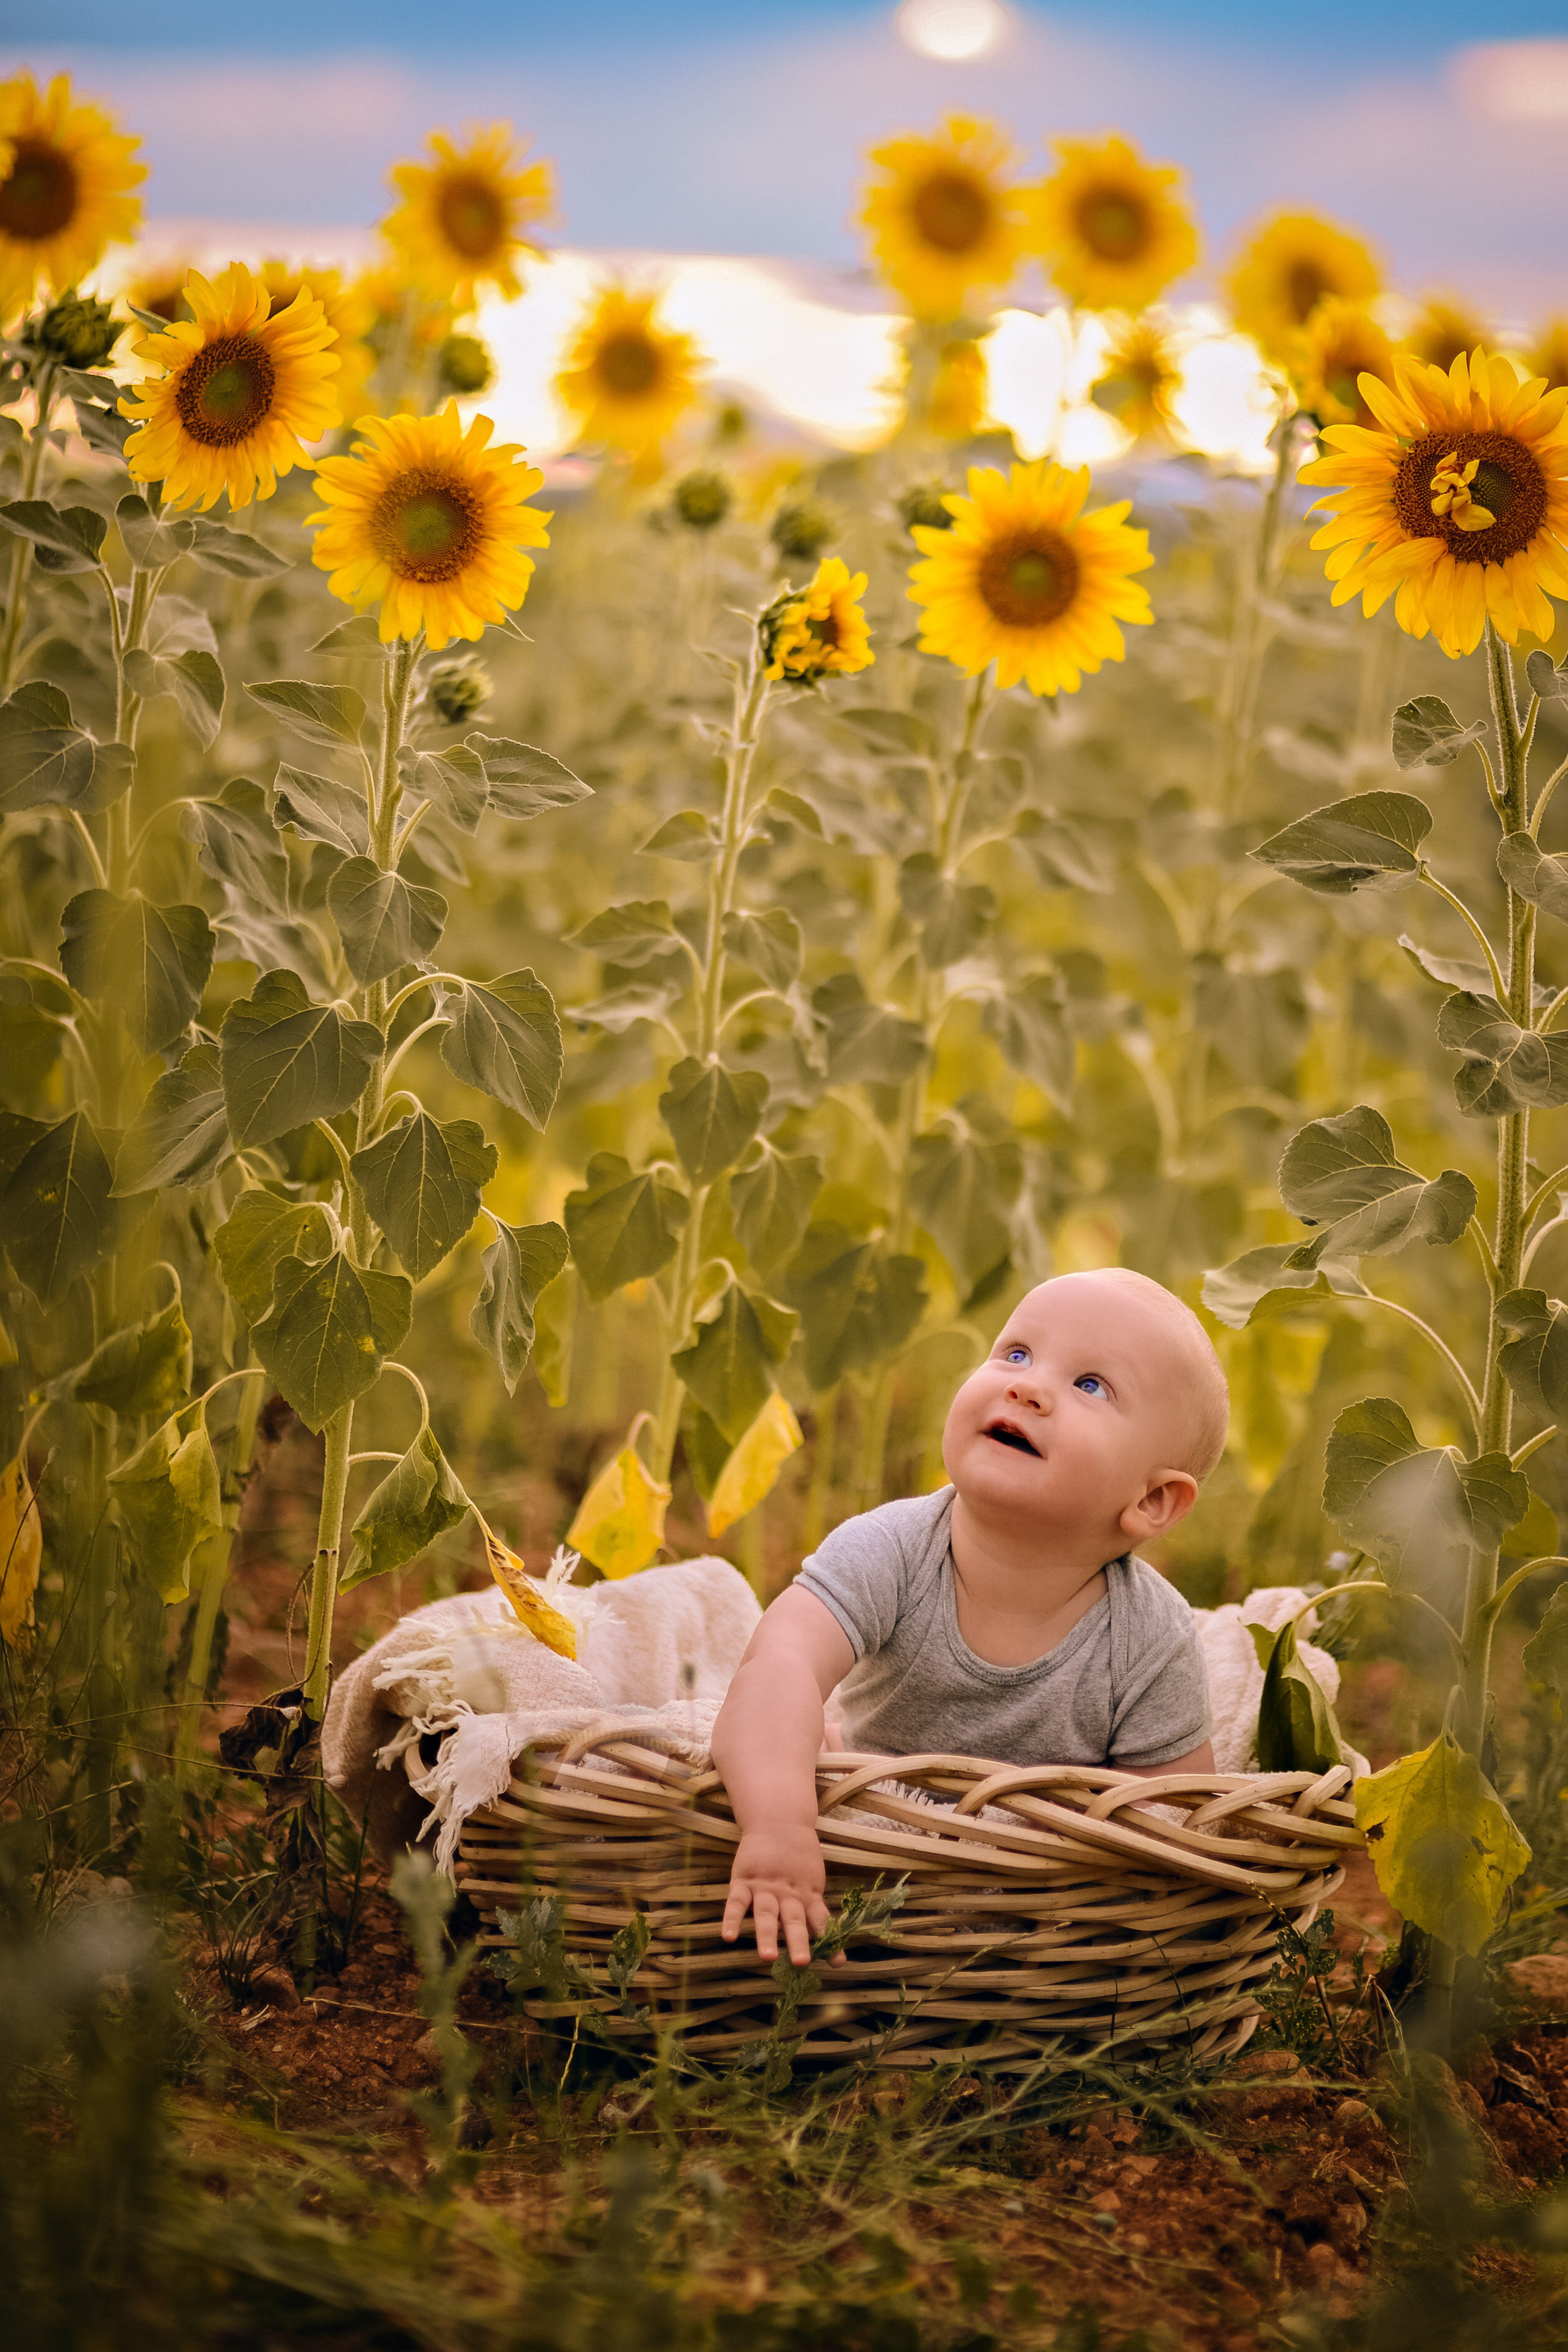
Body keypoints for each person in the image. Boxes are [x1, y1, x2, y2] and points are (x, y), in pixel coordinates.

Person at [711, 1267, 1229, 1966]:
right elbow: (777, 1668)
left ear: (1154, 1502)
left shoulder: (1149, 1636)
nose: (1027, 1385)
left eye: (1090, 1385)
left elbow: (1174, 1814)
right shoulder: (892, 1549)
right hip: (865, 1850)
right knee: (803, 1736)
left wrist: (1028, 1846)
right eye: (1016, 1353)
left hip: (1036, 1918)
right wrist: (778, 1829)